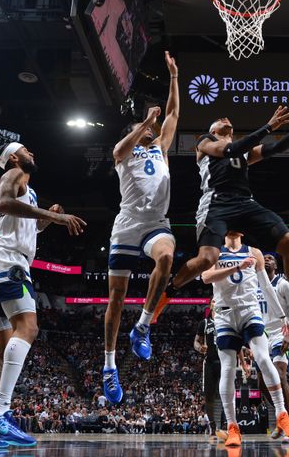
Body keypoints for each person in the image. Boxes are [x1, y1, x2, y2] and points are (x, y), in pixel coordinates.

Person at [153, 101, 289, 343]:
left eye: (229, 124)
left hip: (245, 203)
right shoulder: (204, 143)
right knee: (208, 259)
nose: (225, 119)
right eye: (220, 121)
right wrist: (268, 126)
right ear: (212, 130)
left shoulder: (242, 150)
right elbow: (229, 151)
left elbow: (276, 147)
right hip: (216, 203)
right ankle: (166, 293)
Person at [0, 141, 85, 449]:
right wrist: (55, 218)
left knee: (3, 351)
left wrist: (45, 219)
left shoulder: (27, 189)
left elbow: (26, 224)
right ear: (14, 157)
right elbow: (3, 204)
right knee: (29, 328)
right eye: (27, 149)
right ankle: (0, 413)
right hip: (9, 260)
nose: (33, 152)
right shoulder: (13, 174)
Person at [103, 52, 180, 404]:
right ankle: (109, 366)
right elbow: (118, 148)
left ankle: (144, 325)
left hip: (155, 225)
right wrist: (143, 122)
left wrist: (175, 78)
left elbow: (174, 115)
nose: (150, 131)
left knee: (166, 259)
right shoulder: (126, 153)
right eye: (145, 131)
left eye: (150, 130)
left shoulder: (160, 149)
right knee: (116, 299)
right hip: (127, 225)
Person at [201, 232, 289, 447]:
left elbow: (265, 286)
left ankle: (283, 415)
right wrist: (237, 267)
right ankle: (233, 427)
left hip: (250, 311)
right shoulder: (214, 252)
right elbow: (206, 277)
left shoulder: (254, 253)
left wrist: (283, 315)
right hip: (225, 314)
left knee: (264, 360)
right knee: (227, 368)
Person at [256, 253, 289, 438]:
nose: (266, 260)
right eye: (263, 257)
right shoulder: (255, 285)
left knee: (279, 374)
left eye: (270, 258)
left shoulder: (283, 284)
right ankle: (281, 415)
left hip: (281, 334)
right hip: (261, 336)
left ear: (276, 265)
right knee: (261, 383)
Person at [194, 298, 226, 442]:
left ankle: (226, 425)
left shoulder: (226, 321)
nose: (216, 302)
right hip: (210, 362)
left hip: (225, 362)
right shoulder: (204, 323)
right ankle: (213, 427)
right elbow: (196, 341)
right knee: (209, 396)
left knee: (227, 395)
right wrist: (199, 347)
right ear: (210, 305)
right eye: (213, 300)